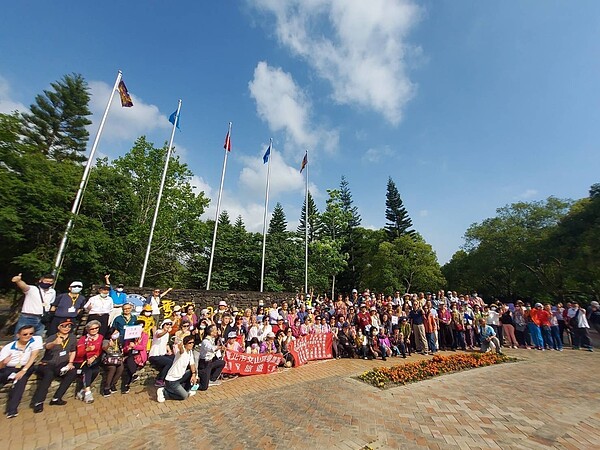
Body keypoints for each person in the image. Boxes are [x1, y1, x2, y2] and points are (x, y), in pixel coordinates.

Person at [31, 318, 78, 413]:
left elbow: (73, 351)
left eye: (69, 326)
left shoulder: (72, 337)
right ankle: (38, 402)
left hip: (61, 364)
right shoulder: (52, 337)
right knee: (48, 375)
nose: (67, 328)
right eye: (64, 326)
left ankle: (57, 398)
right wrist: (54, 343)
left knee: (72, 372)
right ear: (59, 327)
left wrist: (70, 363)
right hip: (48, 364)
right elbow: (47, 346)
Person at [0, 325, 43, 418]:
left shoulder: (36, 340)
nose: (28, 335)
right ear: (18, 335)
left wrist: (23, 370)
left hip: (26, 366)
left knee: (21, 380)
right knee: (4, 375)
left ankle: (12, 410)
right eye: (25, 334)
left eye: (31, 333)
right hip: (10, 368)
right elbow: (0, 366)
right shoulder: (8, 347)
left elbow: (33, 356)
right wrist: (4, 362)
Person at [11, 273, 56, 337]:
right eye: (46, 281)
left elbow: (51, 303)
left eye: (50, 282)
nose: (48, 283)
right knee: (21, 337)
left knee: (37, 339)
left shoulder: (52, 292)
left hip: (42, 319)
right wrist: (18, 281)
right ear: (41, 280)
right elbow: (24, 287)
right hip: (28, 317)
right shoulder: (33, 289)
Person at [156, 335, 198, 402]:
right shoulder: (182, 351)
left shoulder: (190, 352)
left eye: (193, 342)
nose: (192, 344)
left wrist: (193, 374)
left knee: (191, 372)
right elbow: (181, 350)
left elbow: (192, 364)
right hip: (172, 380)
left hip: (180, 377)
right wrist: (180, 345)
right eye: (190, 343)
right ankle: (164, 392)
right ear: (185, 344)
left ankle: (187, 390)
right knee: (184, 396)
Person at [74, 320, 104, 404]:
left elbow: (100, 350)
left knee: (96, 371)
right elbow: (79, 353)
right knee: (88, 370)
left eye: (96, 328)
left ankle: (82, 391)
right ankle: (88, 393)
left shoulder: (101, 337)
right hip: (82, 361)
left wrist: (94, 357)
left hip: (94, 360)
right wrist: (87, 349)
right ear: (87, 330)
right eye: (92, 329)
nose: (95, 330)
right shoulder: (83, 339)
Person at [121, 320, 149, 393]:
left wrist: (135, 346)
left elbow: (143, 347)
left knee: (130, 366)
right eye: (139, 326)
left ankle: (127, 384)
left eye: (142, 327)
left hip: (139, 355)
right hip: (130, 355)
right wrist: (128, 347)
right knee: (130, 361)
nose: (141, 328)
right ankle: (132, 377)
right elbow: (125, 349)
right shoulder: (130, 336)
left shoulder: (145, 335)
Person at [197, 324, 226, 390]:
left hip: (211, 361)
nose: (216, 331)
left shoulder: (212, 339)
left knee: (222, 363)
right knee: (204, 387)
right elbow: (211, 348)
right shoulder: (205, 341)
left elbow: (218, 339)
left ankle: (212, 379)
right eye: (215, 330)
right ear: (211, 332)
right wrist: (219, 347)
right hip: (204, 364)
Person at [148, 319, 175, 387]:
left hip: (163, 354)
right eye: (167, 324)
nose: (168, 326)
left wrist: (169, 351)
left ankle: (171, 378)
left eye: (170, 324)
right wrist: (166, 331)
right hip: (154, 355)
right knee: (169, 362)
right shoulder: (159, 331)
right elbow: (158, 335)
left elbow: (166, 344)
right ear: (163, 325)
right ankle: (160, 380)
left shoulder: (167, 334)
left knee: (175, 359)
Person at [100, 326, 124, 397]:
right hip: (108, 359)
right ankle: (106, 388)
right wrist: (108, 345)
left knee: (121, 368)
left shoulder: (118, 340)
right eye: (114, 333)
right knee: (112, 368)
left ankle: (113, 384)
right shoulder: (106, 341)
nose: (116, 334)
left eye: (117, 332)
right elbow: (104, 348)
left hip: (117, 358)